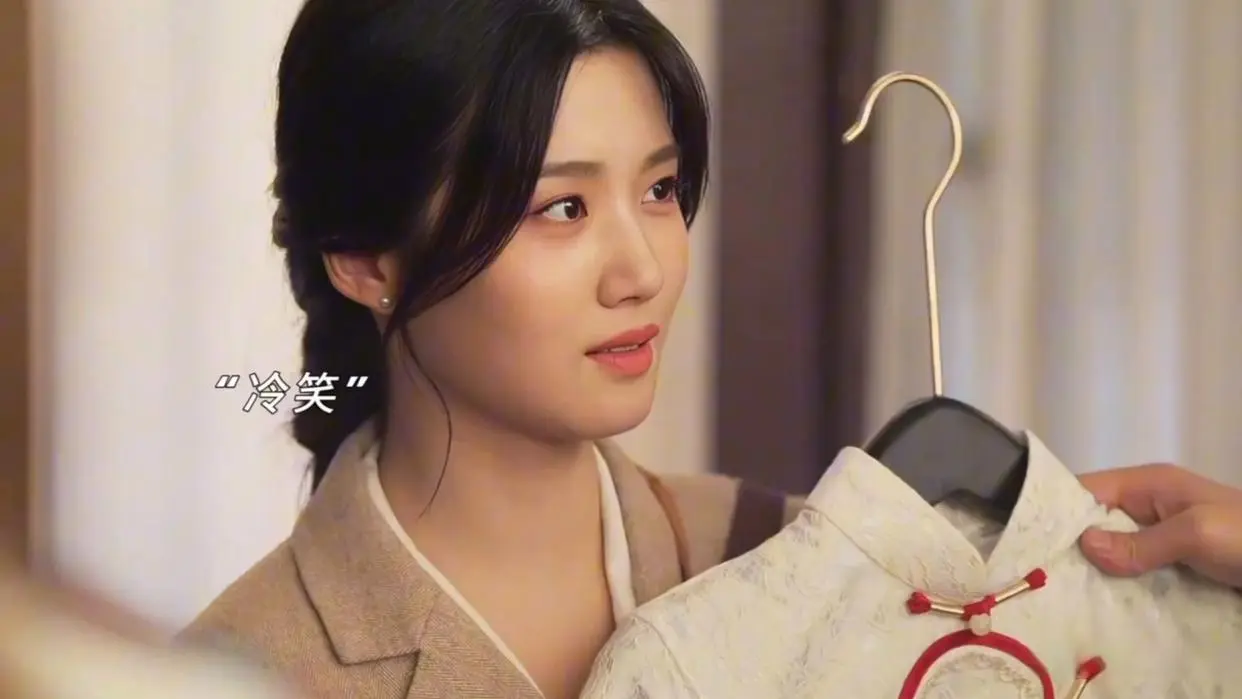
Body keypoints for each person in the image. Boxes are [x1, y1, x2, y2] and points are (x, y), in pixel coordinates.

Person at [182, 2, 799, 699]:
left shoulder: (793, 560)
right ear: (365, 260)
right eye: (564, 208)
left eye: (659, 189)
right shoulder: (235, 676)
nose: (644, 273)